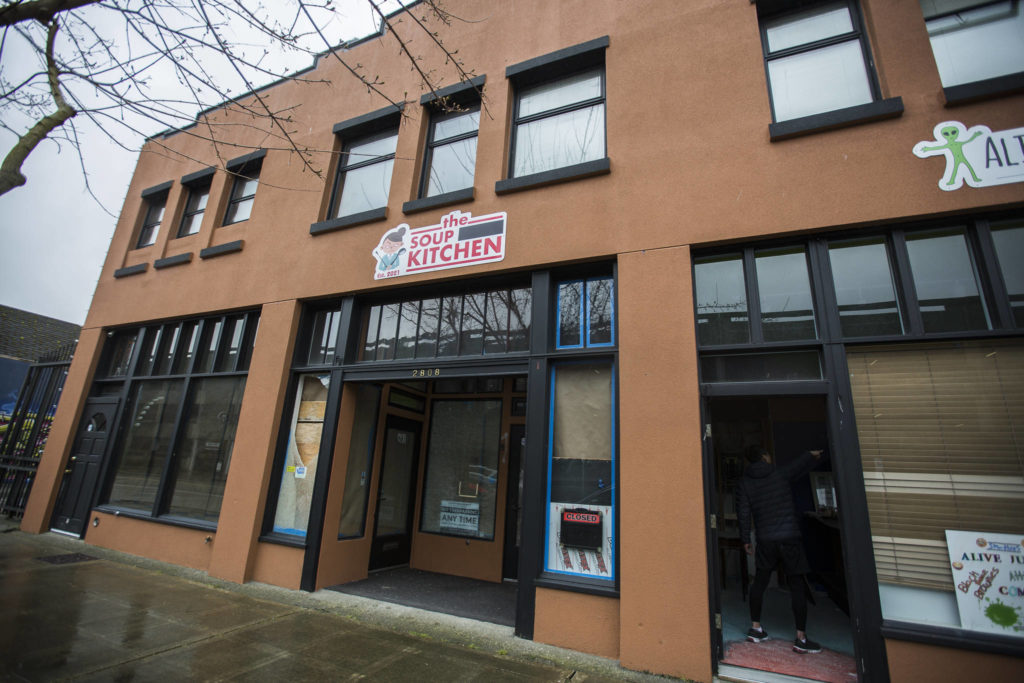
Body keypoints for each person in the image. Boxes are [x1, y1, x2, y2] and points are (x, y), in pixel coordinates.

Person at [736, 444, 824, 654]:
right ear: (764, 456)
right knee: (797, 585)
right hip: (789, 538)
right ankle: (800, 637)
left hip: (765, 539)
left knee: (759, 582)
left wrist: (745, 538)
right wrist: (810, 454)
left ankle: (756, 627)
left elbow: (743, 512)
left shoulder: (745, 483)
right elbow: (798, 465)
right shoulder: (779, 473)